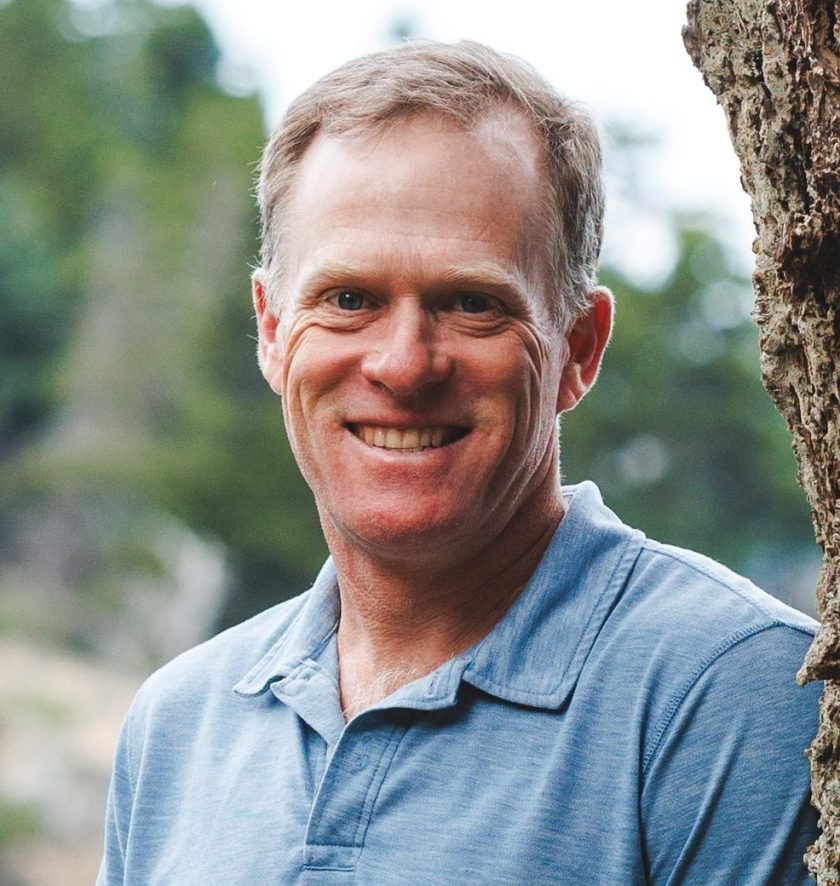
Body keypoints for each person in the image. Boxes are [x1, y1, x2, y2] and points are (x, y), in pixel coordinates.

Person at [98, 40, 821, 885]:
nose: (404, 365)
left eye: (472, 303)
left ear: (578, 348)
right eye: (349, 299)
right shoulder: (177, 725)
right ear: (271, 330)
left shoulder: (734, 697)